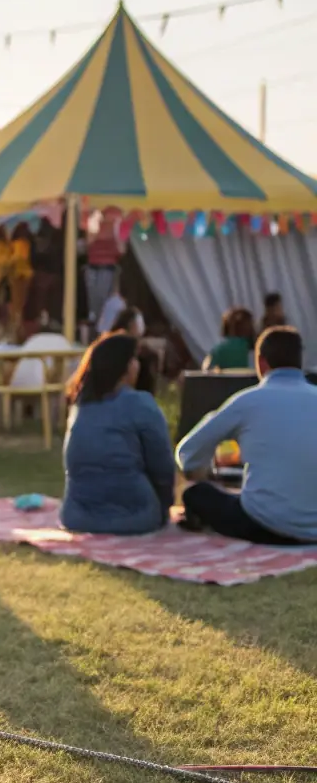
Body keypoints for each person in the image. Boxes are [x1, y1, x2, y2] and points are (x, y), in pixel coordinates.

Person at [177, 326, 317, 544]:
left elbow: (187, 453)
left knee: (195, 493)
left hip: (262, 525)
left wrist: (203, 473)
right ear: (299, 361)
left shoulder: (247, 401)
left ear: (261, 363)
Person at [59, 332, 175, 535]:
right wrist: (164, 507)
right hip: (135, 517)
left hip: (76, 517)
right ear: (128, 366)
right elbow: (163, 467)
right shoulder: (140, 404)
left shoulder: (80, 406)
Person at [84, 207, 123, 330]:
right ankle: (95, 324)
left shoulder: (116, 222)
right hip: (93, 265)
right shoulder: (93, 221)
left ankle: (101, 326)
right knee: (93, 300)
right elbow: (88, 243)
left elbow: (121, 249)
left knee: (103, 300)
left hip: (107, 267)